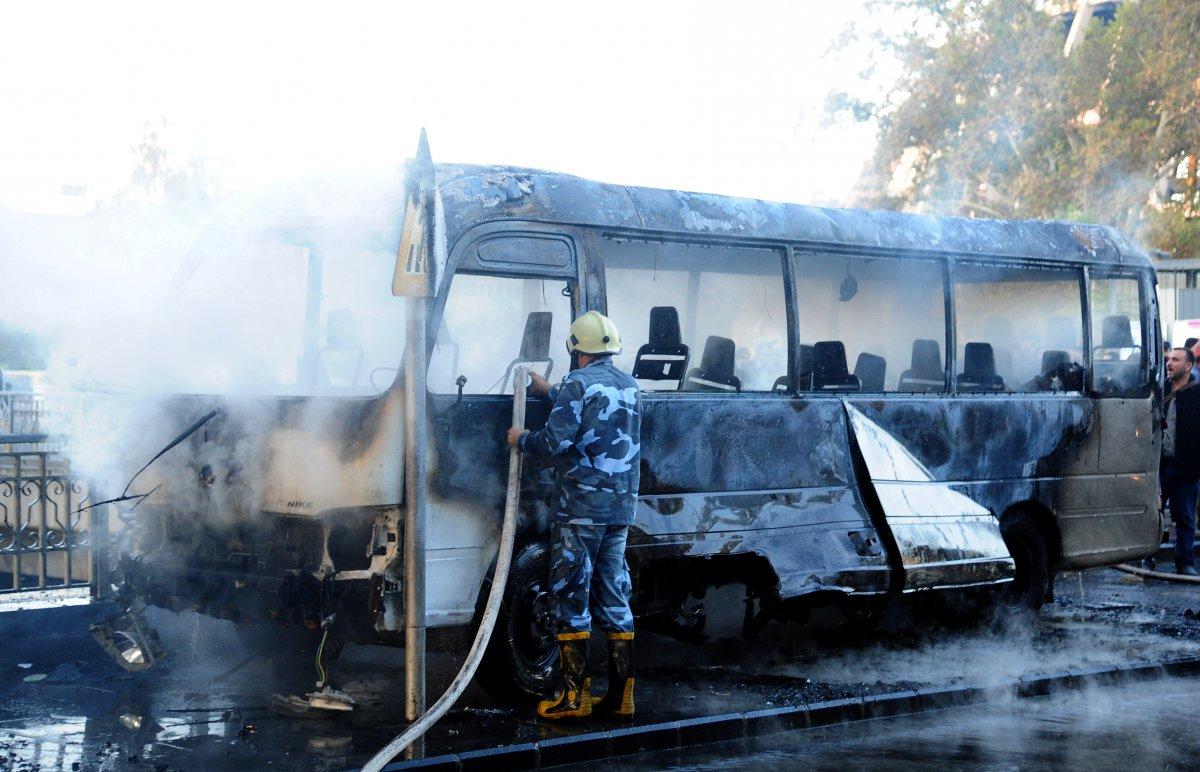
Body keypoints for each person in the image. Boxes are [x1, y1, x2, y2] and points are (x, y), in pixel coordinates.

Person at [505, 310, 642, 719]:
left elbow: (555, 441)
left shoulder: (578, 383)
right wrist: (552, 392)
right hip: (620, 508)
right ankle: (622, 698)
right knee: (614, 595)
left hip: (581, 509)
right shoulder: (630, 385)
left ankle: (573, 697)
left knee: (570, 595)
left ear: (576, 349)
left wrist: (522, 439)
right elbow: (597, 415)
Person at [1163, 347, 1200, 575]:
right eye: (1169, 359)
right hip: (1160, 466)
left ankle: (1185, 562)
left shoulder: (1196, 394)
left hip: (1186, 468)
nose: (1169, 363)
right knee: (1153, 514)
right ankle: (1146, 558)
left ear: (1188, 366)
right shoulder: (1160, 391)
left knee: (1185, 517)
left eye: (1175, 360)